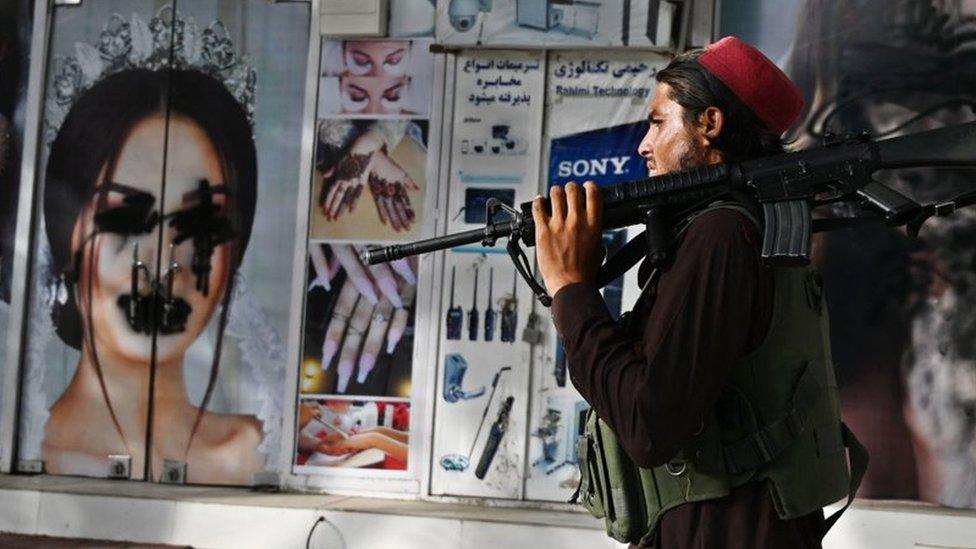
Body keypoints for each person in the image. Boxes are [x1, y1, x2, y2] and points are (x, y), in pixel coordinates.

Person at [532, 36, 859, 548]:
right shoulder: (745, 222)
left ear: (709, 125)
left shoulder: (722, 233)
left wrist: (571, 290)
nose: (643, 144)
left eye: (659, 122)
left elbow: (649, 424)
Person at [40, 68, 261, 485]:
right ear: (66, 237)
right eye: (124, 217)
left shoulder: (266, 452)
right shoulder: (24, 455)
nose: (161, 265)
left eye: (200, 222)